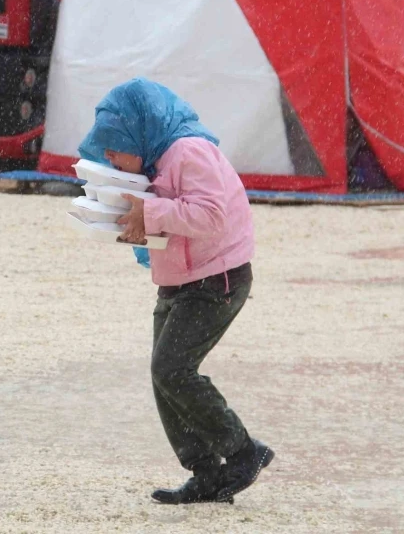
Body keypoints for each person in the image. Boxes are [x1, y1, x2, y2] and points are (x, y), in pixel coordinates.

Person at [78, 77, 274, 505]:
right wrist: (128, 224)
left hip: (217, 278)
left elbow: (210, 217)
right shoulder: (150, 160)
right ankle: (204, 472)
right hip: (180, 278)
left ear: (137, 135)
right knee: (163, 373)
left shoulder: (188, 151)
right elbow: (172, 220)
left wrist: (149, 212)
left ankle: (243, 451)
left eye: (114, 146)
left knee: (172, 369)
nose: (108, 156)